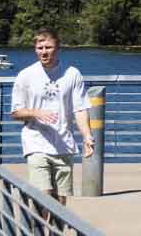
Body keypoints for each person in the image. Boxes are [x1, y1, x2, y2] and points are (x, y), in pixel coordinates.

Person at [10, 28, 92, 204]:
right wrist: (35, 113)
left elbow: (80, 108)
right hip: (36, 143)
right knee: (43, 197)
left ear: (58, 48)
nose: (44, 52)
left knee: (60, 202)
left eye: (48, 47)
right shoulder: (25, 76)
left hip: (63, 144)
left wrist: (87, 136)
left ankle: (53, 232)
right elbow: (16, 112)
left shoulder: (72, 74)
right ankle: (38, 230)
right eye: (40, 48)